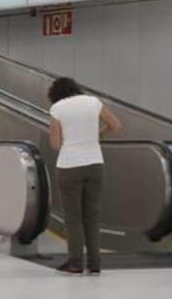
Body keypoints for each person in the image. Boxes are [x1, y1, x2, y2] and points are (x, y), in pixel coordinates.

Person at [48, 77, 122, 276]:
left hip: (69, 165)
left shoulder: (57, 108)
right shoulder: (93, 102)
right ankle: (95, 263)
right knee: (92, 215)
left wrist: (69, 140)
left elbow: (55, 143)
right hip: (95, 164)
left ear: (56, 94)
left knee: (73, 217)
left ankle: (75, 263)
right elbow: (116, 125)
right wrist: (99, 135)